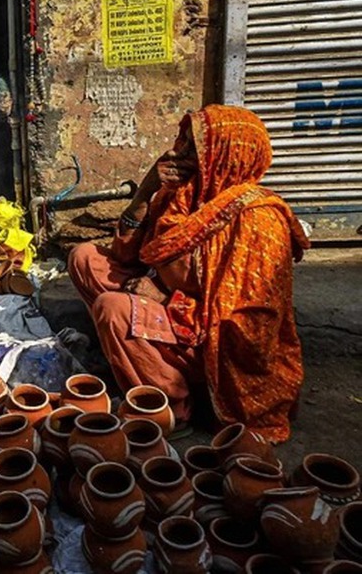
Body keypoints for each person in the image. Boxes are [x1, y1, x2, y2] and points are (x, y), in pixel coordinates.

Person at [67, 105, 310, 443]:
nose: (177, 151)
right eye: (182, 141)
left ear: (227, 156)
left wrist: (166, 300)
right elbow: (126, 253)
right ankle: (137, 357)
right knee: (84, 258)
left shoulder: (257, 222)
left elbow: (247, 330)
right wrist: (145, 190)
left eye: (192, 145)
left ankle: (172, 404)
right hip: (160, 294)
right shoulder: (183, 195)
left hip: (209, 336)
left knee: (113, 308)